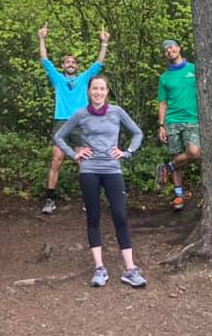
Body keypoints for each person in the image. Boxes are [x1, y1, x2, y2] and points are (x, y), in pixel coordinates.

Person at [54, 74, 147, 288]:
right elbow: (59, 136)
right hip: (89, 170)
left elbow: (137, 133)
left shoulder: (117, 112)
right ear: (89, 91)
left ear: (107, 91)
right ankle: (99, 268)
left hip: (113, 169)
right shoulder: (81, 114)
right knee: (93, 217)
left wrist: (127, 152)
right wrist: (74, 154)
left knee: (120, 216)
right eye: (94, 88)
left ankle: (130, 270)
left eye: (102, 89)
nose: (98, 92)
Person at [39, 22, 109, 214]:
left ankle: (89, 199)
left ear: (76, 66)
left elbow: (99, 64)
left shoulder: (84, 78)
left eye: (73, 62)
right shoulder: (58, 79)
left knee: (83, 161)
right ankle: (50, 199)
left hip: (81, 121)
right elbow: (44, 59)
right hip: (61, 121)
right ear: (63, 66)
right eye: (67, 62)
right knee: (57, 158)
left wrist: (104, 44)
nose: (70, 64)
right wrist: (42, 38)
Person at [155, 39, 200, 211]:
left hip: (193, 119)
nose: (169, 50)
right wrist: (161, 125)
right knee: (176, 156)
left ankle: (167, 167)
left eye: (172, 46)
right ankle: (179, 196)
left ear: (179, 49)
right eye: (166, 49)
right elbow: (163, 103)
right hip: (172, 121)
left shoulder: (194, 69)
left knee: (194, 152)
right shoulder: (164, 78)